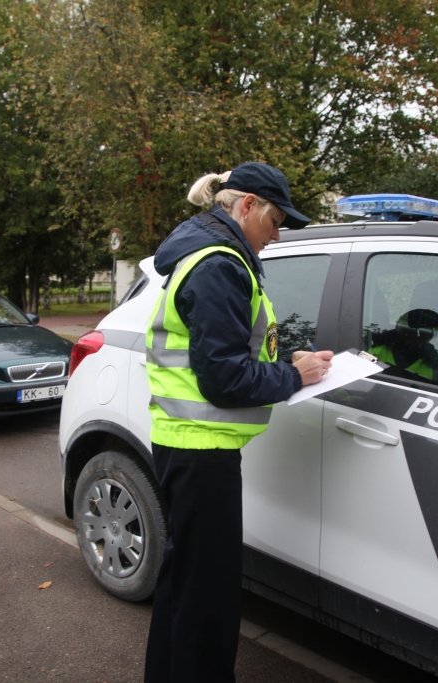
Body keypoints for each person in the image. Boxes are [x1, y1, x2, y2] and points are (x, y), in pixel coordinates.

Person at [143, 163, 333, 682]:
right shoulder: (221, 264)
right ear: (246, 205)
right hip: (202, 450)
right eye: (275, 222)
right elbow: (224, 379)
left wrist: (286, 364)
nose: (276, 236)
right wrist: (293, 376)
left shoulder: (209, 255)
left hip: (189, 446)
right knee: (207, 599)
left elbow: (227, 355)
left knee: (186, 584)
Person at [368, 308, 438, 386]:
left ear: (432, 336)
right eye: (412, 330)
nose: (418, 336)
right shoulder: (367, 346)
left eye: (427, 332)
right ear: (398, 327)